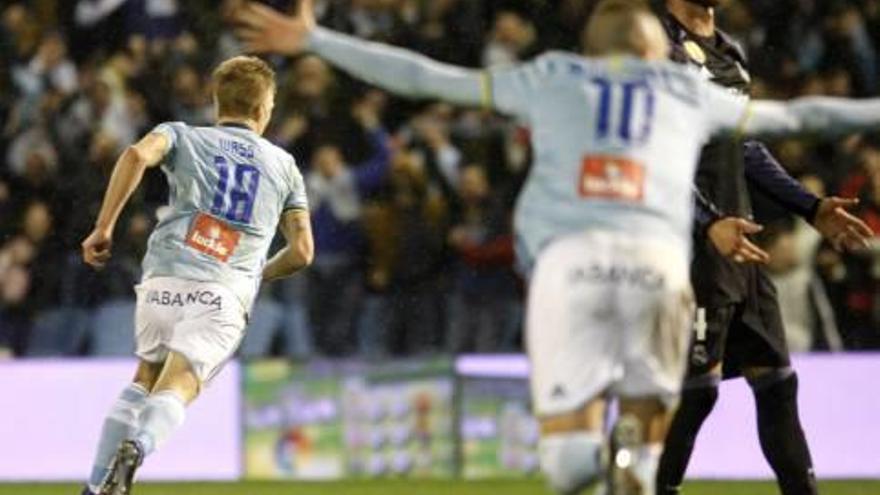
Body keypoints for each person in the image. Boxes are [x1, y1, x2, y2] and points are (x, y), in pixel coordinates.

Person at [236, 0, 880, 493]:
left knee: (573, 451)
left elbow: (427, 77)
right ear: (657, 48)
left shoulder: (550, 76)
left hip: (569, 269)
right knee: (663, 417)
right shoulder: (683, 90)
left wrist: (318, 39)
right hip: (659, 268)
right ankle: (637, 456)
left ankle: (591, 462)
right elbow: (805, 116)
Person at [656, 2, 875, 494]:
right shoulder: (657, 45)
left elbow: (745, 146)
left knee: (777, 383)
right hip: (693, 245)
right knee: (696, 395)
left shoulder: (729, 49)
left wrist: (810, 206)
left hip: (742, 241)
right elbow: (656, 153)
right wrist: (707, 221)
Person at [79, 55, 313, 495]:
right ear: (264, 109)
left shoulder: (181, 134)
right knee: (180, 384)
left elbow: (134, 155)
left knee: (143, 379)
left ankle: (94, 489)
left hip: (165, 278)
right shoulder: (284, 166)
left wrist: (104, 226)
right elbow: (301, 252)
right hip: (223, 291)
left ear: (215, 101)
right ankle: (140, 447)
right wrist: (257, 274)